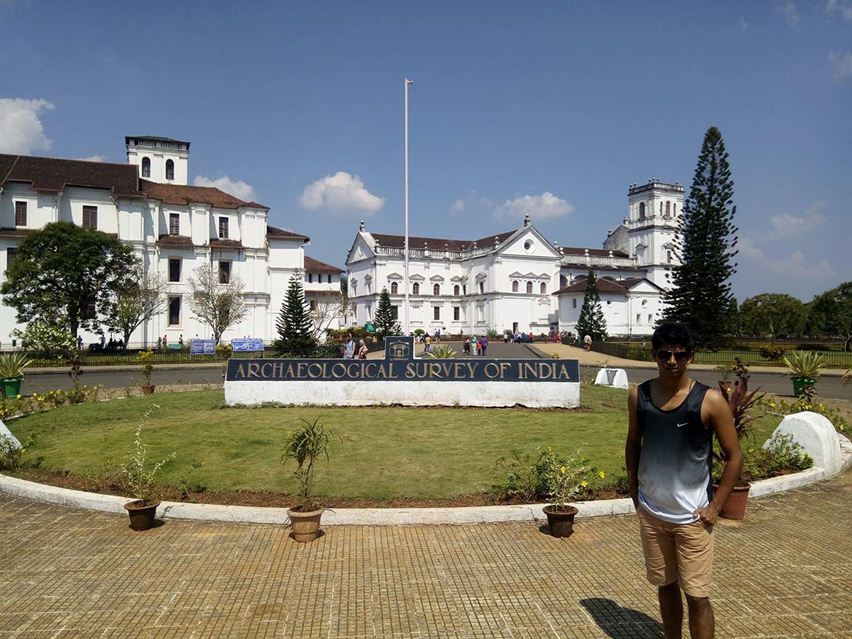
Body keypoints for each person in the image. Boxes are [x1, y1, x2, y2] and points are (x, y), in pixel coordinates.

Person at [625, 323, 742, 639]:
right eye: (664, 354)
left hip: (693, 517)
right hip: (653, 514)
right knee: (665, 585)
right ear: (655, 356)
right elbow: (633, 443)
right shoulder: (640, 395)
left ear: (690, 356)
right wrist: (635, 493)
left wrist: (716, 506)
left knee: (697, 595)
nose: (671, 361)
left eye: (679, 354)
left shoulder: (710, 401)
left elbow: (734, 456)